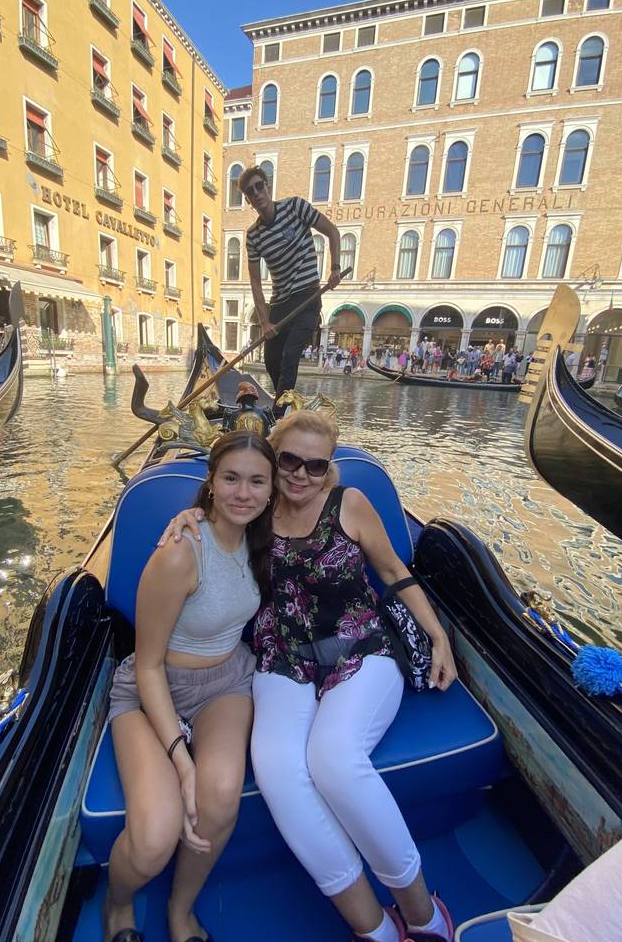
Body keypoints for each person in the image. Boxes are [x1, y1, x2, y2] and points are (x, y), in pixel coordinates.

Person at [162, 412, 458, 942]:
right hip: (283, 658)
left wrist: (439, 637)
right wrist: (186, 517)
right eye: (290, 461)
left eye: (315, 465)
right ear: (273, 460)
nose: (301, 474)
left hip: (361, 649)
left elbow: (393, 571)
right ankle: (373, 929)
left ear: (329, 469)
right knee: (277, 770)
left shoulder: (350, 505)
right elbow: (216, 506)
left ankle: (424, 915)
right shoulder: (255, 508)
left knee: (334, 759)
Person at [105, 431, 277, 942]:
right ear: (211, 482)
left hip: (225, 683)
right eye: (231, 479)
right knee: (153, 838)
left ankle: (180, 910)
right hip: (150, 689)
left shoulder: (264, 538)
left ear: (272, 489)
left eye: (256, 481)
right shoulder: (182, 550)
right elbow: (148, 666)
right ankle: (118, 904)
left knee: (220, 796)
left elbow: (323, 490)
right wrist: (182, 762)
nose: (242, 493)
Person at [240, 165, 341, 399]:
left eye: (259, 186)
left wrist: (335, 268)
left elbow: (332, 232)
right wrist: (264, 321)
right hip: (280, 303)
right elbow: (255, 282)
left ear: (267, 187)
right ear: (248, 200)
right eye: (250, 191)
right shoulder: (253, 235)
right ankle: (285, 403)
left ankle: (281, 410)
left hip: (308, 298)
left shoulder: (295, 207)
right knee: (271, 360)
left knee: (289, 357)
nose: (256, 193)